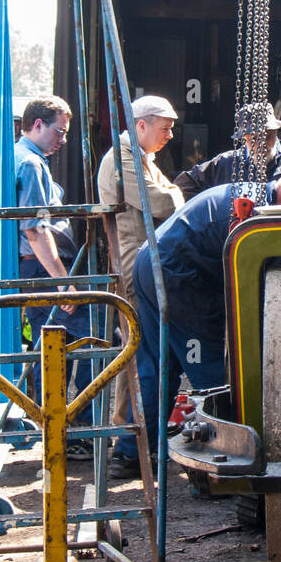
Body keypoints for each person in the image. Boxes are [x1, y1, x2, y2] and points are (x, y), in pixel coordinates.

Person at [110, 168, 281, 479]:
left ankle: (131, 454)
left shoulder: (249, 191)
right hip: (177, 277)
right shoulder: (258, 212)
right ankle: (223, 455)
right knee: (208, 370)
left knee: (158, 366)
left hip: (152, 262)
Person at [96, 95, 184, 428]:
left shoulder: (142, 156)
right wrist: (174, 194)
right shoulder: (124, 158)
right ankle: (129, 432)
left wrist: (173, 193)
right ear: (142, 125)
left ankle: (131, 429)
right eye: (165, 128)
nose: (170, 136)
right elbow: (163, 201)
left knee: (138, 348)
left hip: (142, 261)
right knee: (137, 348)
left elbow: (170, 194)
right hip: (133, 264)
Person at [14, 96, 93, 459]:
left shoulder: (24, 158)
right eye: (59, 131)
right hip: (42, 270)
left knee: (55, 344)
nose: (62, 140)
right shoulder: (30, 164)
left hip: (37, 270)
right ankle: (73, 430)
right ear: (37, 125)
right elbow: (36, 230)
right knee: (90, 336)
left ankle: (56, 425)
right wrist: (64, 283)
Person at [174, 102, 281, 201]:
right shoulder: (225, 163)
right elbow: (185, 184)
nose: (261, 144)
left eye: (266, 136)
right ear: (244, 138)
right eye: (253, 139)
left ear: (276, 132)